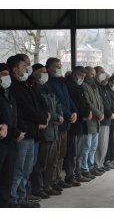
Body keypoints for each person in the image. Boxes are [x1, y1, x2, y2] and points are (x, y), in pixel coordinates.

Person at [8, 56, 49, 207]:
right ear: (15, 69)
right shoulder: (13, 86)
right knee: (17, 169)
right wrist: (42, 118)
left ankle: (21, 197)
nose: (27, 69)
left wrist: (44, 117)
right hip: (23, 132)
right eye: (25, 66)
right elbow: (26, 109)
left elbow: (38, 105)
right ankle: (12, 199)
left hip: (32, 133)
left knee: (27, 169)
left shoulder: (26, 85)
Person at [30, 63, 64, 198]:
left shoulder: (47, 88)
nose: (45, 74)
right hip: (44, 132)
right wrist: (56, 116)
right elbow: (44, 109)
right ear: (35, 74)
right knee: (41, 163)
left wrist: (60, 115)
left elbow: (57, 103)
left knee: (52, 161)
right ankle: (38, 188)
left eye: (45, 72)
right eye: (42, 72)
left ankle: (48, 185)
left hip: (54, 130)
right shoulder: (34, 90)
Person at [46, 57, 77, 191]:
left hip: (66, 124)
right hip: (58, 124)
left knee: (62, 154)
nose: (59, 69)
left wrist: (74, 111)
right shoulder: (48, 83)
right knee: (54, 156)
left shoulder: (62, 82)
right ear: (49, 68)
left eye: (60, 67)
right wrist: (68, 114)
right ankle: (52, 181)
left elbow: (68, 99)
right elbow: (57, 103)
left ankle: (58, 178)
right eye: (56, 67)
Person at [64, 66, 92, 184]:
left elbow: (85, 102)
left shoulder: (79, 86)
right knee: (72, 152)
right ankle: (71, 176)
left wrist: (89, 112)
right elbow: (74, 105)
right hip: (75, 123)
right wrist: (84, 114)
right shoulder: (68, 86)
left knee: (79, 151)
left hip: (81, 123)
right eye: (81, 76)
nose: (82, 78)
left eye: (84, 77)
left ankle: (77, 172)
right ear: (75, 73)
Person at [0, 63, 19, 207]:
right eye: (3, 75)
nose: (7, 78)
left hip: (11, 139)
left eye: (8, 74)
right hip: (1, 139)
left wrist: (17, 130)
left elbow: (14, 115)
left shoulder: (9, 93)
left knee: (8, 172)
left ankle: (6, 201)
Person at [81, 66, 104, 178]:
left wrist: (102, 113)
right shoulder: (84, 86)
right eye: (91, 74)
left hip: (97, 122)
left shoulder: (94, 87)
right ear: (86, 75)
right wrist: (99, 114)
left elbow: (100, 102)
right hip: (90, 122)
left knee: (93, 147)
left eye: (94, 75)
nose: (93, 76)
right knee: (86, 147)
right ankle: (84, 168)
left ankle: (91, 167)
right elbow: (88, 102)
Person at [94, 67, 113, 172]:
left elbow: (108, 102)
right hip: (102, 119)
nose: (103, 74)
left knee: (104, 144)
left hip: (107, 119)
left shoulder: (103, 87)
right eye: (101, 72)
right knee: (100, 144)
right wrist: (109, 113)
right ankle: (97, 164)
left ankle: (100, 163)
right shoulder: (96, 87)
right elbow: (102, 104)